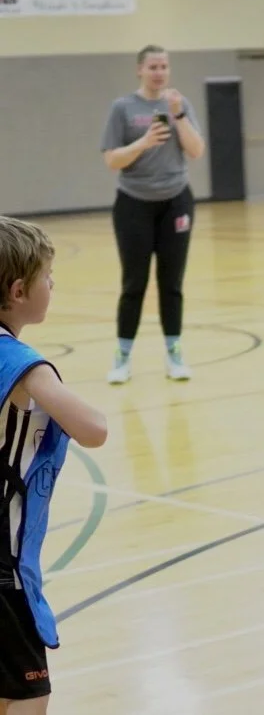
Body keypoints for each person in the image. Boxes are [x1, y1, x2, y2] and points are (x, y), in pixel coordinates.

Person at [0, 217, 108, 715]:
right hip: (4, 570)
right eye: (47, 277)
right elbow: (94, 428)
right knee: (27, 697)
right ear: (19, 291)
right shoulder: (25, 365)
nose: (53, 285)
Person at [100, 44, 206, 385]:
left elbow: (196, 151)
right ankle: (122, 356)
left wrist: (178, 115)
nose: (159, 72)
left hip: (176, 202)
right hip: (133, 204)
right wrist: (144, 142)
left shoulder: (179, 104)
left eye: (164, 66)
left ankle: (174, 353)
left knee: (171, 283)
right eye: (153, 66)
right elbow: (112, 160)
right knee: (134, 282)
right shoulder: (123, 108)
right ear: (140, 70)